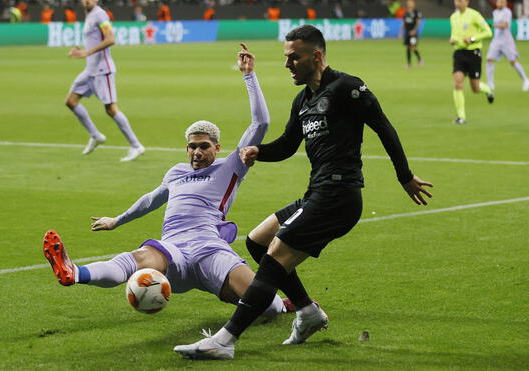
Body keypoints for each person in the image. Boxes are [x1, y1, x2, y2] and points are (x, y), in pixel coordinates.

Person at [174, 24, 433, 361]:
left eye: (294, 58)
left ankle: (225, 339)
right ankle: (307, 311)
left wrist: (405, 176)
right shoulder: (303, 100)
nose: (288, 65)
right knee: (257, 241)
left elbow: (383, 126)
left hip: (340, 194)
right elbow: (286, 145)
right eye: (287, 58)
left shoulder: (347, 88)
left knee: (275, 255)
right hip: (318, 192)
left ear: (317, 55)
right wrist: (258, 152)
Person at [44, 44, 298, 321]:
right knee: (137, 259)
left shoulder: (231, 166)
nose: (197, 152)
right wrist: (117, 219)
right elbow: (153, 198)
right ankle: (74, 272)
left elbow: (260, 124)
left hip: (210, 250)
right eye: (192, 147)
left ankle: (281, 305)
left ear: (217, 147)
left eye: (204, 146)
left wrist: (248, 75)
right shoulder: (176, 172)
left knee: (264, 306)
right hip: (172, 249)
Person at [66, 0, 145, 161]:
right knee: (71, 101)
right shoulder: (88, 15)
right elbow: (94, 40)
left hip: (103, 70)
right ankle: (96, 136)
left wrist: (87, 52)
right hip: (90, 70)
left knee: (111, 109)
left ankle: (136, 146)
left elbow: (110, 39)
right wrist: (82, 50)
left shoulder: (100, 14)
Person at [449, 0, 493, 125]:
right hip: (459, 53)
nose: (458, 2)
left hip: (473, 53)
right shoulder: (453, 17)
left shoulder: (475, 15)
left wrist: (473, 38)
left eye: (461, 0)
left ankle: (488, 90)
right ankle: (461, 116)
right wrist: (452, 39)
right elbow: (454, 34)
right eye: (456, 0)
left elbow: (488, 32)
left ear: (467, 2)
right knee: (458, 83)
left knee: (475, 88)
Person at [485, 0, 529, 91]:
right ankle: (490, 83)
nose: (500, 4)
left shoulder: (507, 12)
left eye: (502, 2)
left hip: (506, 41)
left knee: (513, 61)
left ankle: (525, 80)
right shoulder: (495, 12)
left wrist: (492, 26)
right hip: (496, 40)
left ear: (505, 3)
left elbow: (505, 25)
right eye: (498, 2)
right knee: (489, 60)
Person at [402, 0, 423, 68]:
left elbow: (418, 22)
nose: (409, 4)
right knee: (407, 47)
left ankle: (420, 60)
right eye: (408, 3)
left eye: (411, 3)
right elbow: (404, 22)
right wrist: (401, 31)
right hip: (407, 32)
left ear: (414, 4)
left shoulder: (416, 12)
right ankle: (409, 64)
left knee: (413, 47)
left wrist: (414, 30)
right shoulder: (406, 12)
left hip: (413, 33)